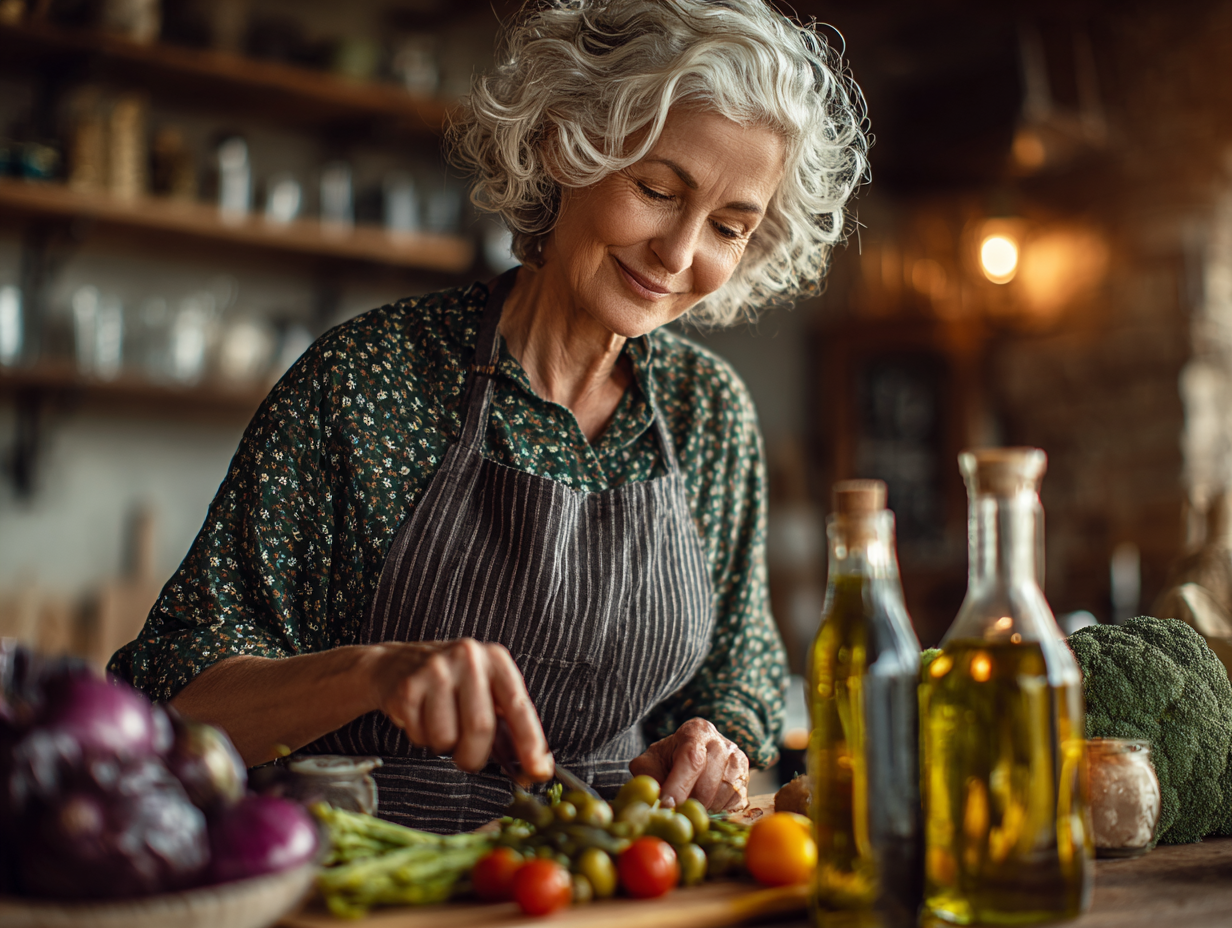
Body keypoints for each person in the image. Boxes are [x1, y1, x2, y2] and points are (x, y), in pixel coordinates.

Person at [110, 0, 868, 831]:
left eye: (729, 226)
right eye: (656, 189)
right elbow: (171, 704)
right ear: (565, 147)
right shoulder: (366, 379)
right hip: (372, 886)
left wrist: (711, 744)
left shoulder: (706, 412)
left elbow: (739, 676)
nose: (680, 253)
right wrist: (372, 675)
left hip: (608, 892)